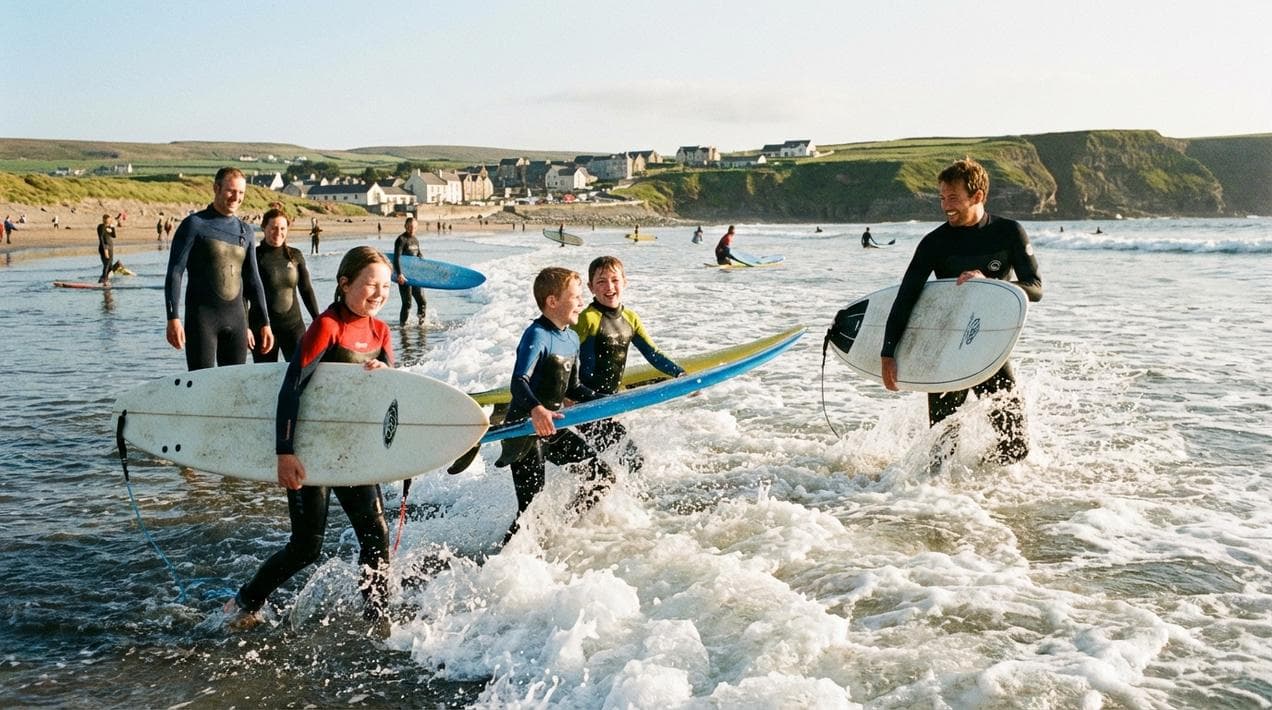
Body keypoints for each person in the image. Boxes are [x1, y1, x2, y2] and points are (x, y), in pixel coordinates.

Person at [223, 246, 396, 635]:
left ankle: (377, 619)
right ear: (345, 282)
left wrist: (385, 372)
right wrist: (285, 452)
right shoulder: (327, 326)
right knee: (306, 547)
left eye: (386, 286)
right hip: (311, 451)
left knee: (376, 535)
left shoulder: (381, 331)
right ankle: (245, 601)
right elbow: (291, 389)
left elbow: (392, 399)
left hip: (352, 451)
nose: (379, 293)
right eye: (371, 284)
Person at [880, 158, 1042, 465]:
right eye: (942, 198)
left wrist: (991, 284)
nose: (945, 206)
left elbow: (1035, 288)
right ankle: (933, 507)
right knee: (942, 452)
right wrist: (888, 353)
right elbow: (906, 297)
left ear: (977, 196)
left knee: (1016, 445)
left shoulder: (1009, 233)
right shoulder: (934, 242)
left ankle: (977, 495)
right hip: (947, 353)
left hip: (989, 352)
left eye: (953, 198)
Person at [496, 267, 612, 544]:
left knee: (601, 478)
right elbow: (518, 382)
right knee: (531, 506)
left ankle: (559, 530)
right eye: (576, 296)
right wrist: (537, 409)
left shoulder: (571, 337)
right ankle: (503, 562)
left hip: (552, 426)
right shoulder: (536, 335)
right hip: (523, 429)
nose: (582, 302)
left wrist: (608, 402)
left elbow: (573, 388)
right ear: (552, 301)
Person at [572, 256, 684, 473]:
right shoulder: (588, 318)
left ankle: (606, 501)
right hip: (585, 404)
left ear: (625, 282)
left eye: (615, 280)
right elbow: (565, 355)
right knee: (631, 461)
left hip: (609, 404)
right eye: (601, 281)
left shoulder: (631, 318)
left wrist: (679, 374)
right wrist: (564, 395)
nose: (609, 287)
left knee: (624, 461)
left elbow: (653, 353)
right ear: (591, 288)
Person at [164, 167, 273, 371]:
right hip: (203, 319)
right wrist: (173, 318)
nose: (236, 197)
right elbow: (175, 272)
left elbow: (253, 280)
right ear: (216, 188)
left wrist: (265, 323)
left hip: (237, 320)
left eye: (241, 193)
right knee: (200, 384)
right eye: (231, 191)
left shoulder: (246, 231)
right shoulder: (194, 225)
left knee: (233, 387)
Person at [249, 208, 320, 362]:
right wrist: (245, 327)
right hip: (263, 328)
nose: (278, 232)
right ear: (263, 227)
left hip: (293, 326)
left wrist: (318, 319)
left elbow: (306, 290)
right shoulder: (254, 256)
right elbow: (244, 294)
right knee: (266, 377)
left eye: (282, 228)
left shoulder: (295, 255)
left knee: (299, 373)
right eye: (273, 228)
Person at [391, 217, 427, 326]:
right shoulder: (401, 240)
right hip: (404, 276)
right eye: (410, 227)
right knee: (407, 304)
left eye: (414, 227)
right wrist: (399, 274)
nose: (412, 229)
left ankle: (421, 325)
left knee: (422, 302)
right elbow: (396, 258)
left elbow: (418, 254)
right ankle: (403, 327)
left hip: (415, 276)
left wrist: (423, 261)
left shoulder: (415, 240)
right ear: (405, 226)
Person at [96, 214, 117, 284]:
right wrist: (105, 250)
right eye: (107, 219)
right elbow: (101, 238)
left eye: (110, 219)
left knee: (110, 265)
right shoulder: (101, 227)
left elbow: (114, 235)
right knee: (106, 263)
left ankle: (104, 279)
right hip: (104, 248)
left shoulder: (109, 227)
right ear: (104, 219)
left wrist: (112, 227)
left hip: (110, 248)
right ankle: (104, 279)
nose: (109, 221)